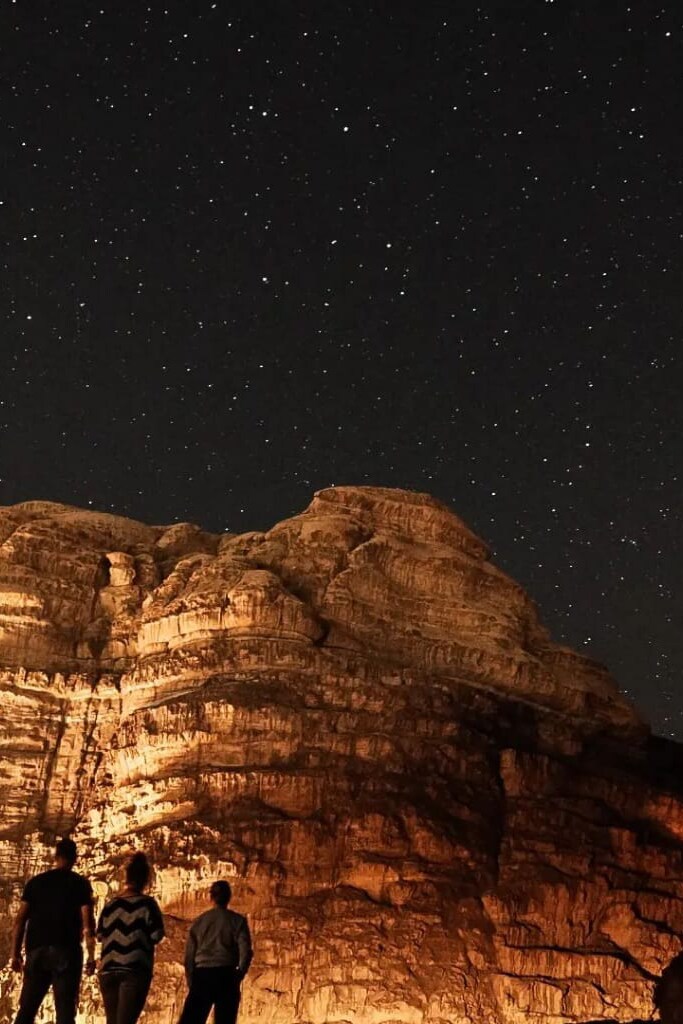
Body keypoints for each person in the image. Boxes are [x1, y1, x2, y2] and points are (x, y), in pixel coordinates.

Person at [10, 836, 95, 1024]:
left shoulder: (35, 883)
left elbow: (20, 920)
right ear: (75, 858)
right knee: (65, 1013)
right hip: (67, 951)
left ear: (56, 857)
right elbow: (88, 924)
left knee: (26, 1011)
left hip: (37, 951)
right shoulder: (80, 884)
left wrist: (15, 954)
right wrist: (91, 955)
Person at [97, 852, 164, 1024]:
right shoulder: (147, 904)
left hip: (108, 970)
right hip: (134, 970)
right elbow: (156, 935)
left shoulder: (110, 905)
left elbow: (100, 935)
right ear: (145, 880)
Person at [178, 880, 252, 1024]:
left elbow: (189, 957)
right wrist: (239, 974)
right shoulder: (238, 921)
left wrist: (191, 980)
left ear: (211, 897)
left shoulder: (199, 922)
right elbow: (245, 951)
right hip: (227, 974)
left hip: (203, 975)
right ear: (229, 897)